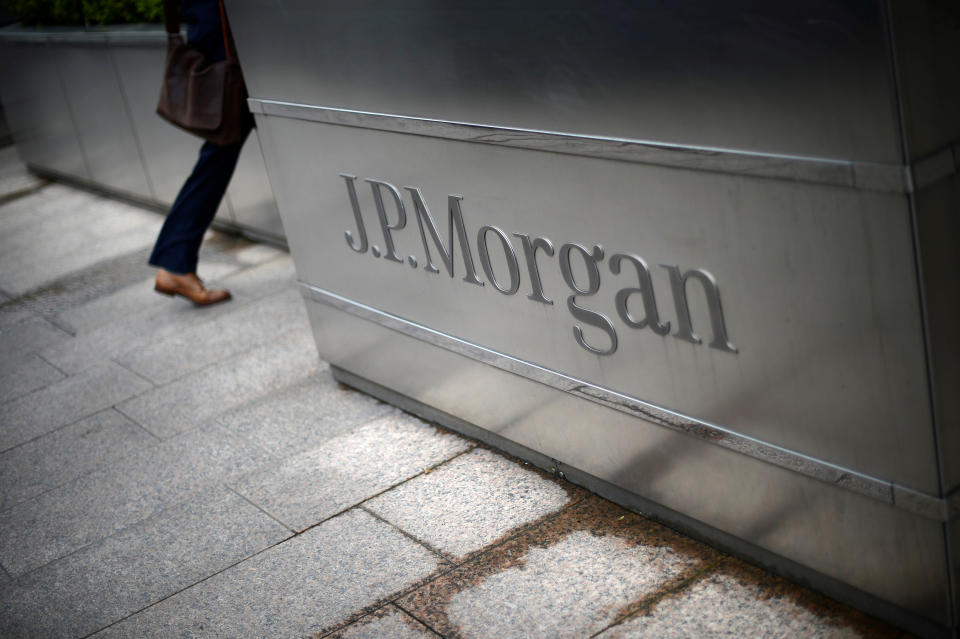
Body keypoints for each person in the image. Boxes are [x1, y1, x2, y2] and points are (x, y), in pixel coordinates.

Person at [149, 0, 253, 305]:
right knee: (221, 153)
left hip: (223, 36)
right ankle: (175, 262)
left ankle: (175, 261)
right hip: (232, 43)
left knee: (220, 155)